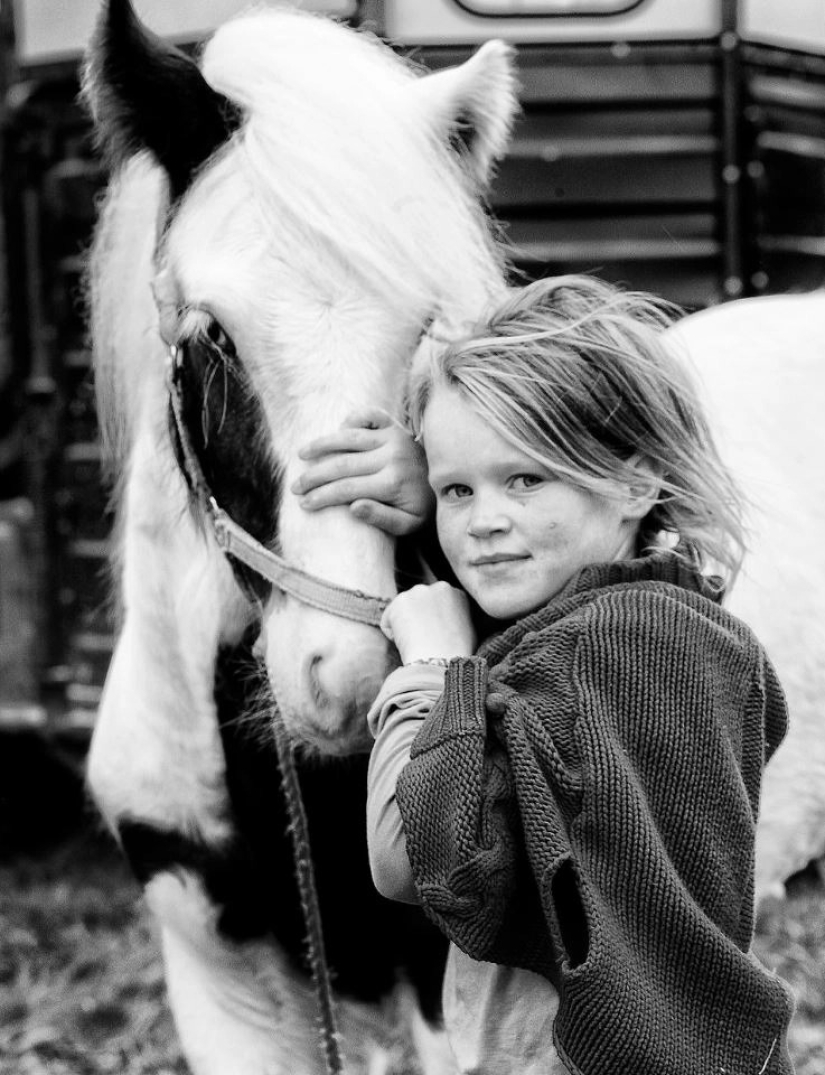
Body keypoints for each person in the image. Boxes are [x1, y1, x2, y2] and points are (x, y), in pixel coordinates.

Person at [294, 275, 795, 1074]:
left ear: (635, 480)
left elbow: (418, 861)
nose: (484, 520)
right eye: (459, 488)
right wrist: (446, 496)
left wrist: (430, 668)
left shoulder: (604, 649)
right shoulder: (665, 631)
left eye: (525, 478)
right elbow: (535, 689)